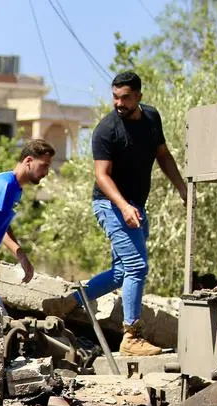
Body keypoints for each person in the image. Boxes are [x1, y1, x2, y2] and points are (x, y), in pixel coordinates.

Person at [42, 71, 187, 356]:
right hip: (110, 205)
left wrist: (182, 187)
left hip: (134, 204)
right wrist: (123, 206)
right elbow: (102, 176)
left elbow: (163, 155)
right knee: (136, 266)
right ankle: (131, 335)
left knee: (122, 272)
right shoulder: (106, 129)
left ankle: (69, 302)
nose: (119, 103)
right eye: (115, 97)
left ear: (139, 97)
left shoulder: (151, 118)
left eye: (125, 98)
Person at [0, 139, 55, 313]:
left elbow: (1, 224)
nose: (46, 172)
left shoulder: (16, 189)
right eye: (43, 166)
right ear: (28, 161)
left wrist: (21, 255)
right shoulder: (5, 184)